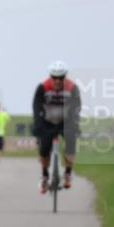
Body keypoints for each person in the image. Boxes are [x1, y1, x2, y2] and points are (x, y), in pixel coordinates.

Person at [33, 60, 81, 193]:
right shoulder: (43, 87)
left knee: (70, 146)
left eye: (61, 78)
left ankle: (68, 174)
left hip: (66, 121)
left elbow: (76, 108)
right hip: (47, 121)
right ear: (50, 76)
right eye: (54, 77)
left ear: (65, 76)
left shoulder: (72, 88)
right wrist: (37, 124)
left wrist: (75, 124)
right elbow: (36, 107)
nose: (58, 81)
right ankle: (44, 175)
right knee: (44, 149)